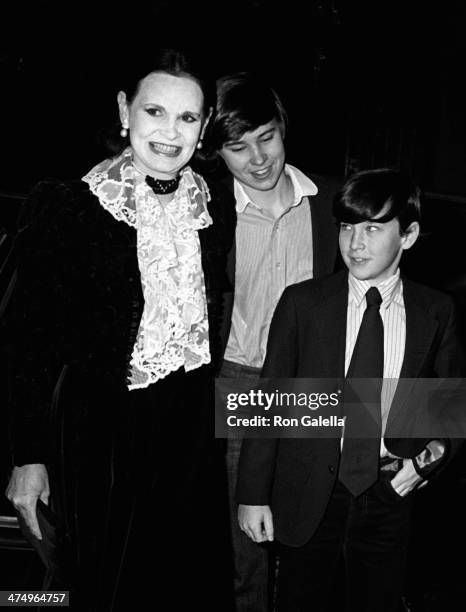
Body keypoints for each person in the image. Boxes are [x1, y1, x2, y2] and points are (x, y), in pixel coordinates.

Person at [5, 48, 235, 610]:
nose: (170, 131)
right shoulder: (65, 207)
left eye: (187, 118)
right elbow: (24, 344)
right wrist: (27, 457)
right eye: (155, 111)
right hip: (96, 434)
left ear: (203, 128)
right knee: (92, 586)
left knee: (179, 583)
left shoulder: (214, 208)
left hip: (186, 432)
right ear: (124, 110)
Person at [236, 168, 466, 611]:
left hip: (390, 494)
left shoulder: (434, 311)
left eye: (373, 228)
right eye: (347, 226)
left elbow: (450, 408)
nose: (354, 243)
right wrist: (252, 495)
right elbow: (268, 403)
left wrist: (428, 461)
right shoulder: (303, 303)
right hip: (307, 491)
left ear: (410, 235)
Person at [205, 72, 340, 612]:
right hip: (242, 383)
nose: (258, 159)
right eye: (237, 147)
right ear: (217, 153)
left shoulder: (332, 203)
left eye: (266, 137)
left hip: (317, 385)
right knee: (247, 539)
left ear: (283, 128)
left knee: (317, 525)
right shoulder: (209, 215)